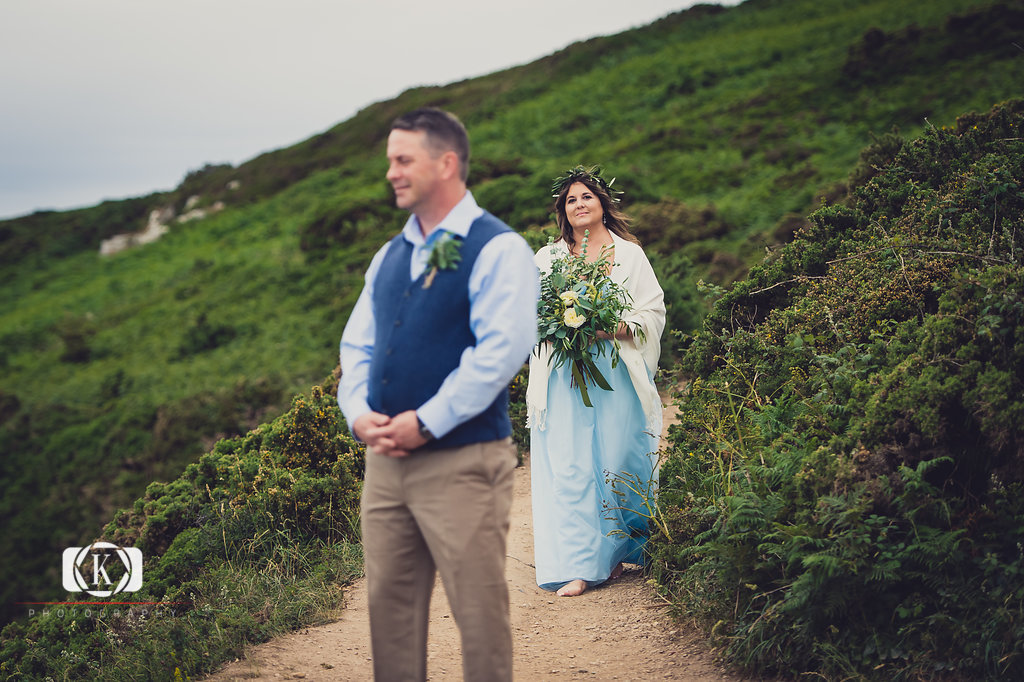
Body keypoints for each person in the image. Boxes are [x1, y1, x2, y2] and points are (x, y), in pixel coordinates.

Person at [337, 107, 538, 681]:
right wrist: (359, 415)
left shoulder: (499, 249)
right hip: (385, 465)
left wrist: (424, 421)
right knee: (389, 613)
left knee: (478, 614)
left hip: (462, 461)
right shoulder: (388, 256)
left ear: (445, 162)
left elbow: (499, 353)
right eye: (389, 161)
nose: (391, 173)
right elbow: (357, 346)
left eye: (403, 160)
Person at [526, 165, 666, 598]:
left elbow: (652, 312)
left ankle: (625, 550)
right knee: (570, 463)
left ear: (604, 205)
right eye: (570, 200)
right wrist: (555, 324)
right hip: (564, 372)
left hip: (615, 370)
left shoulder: (629, 256)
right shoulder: (548, 259)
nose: (579, 205)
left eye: (587, 196)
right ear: (563, 212)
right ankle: (580, 565)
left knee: (619, 455)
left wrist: (614, 327)